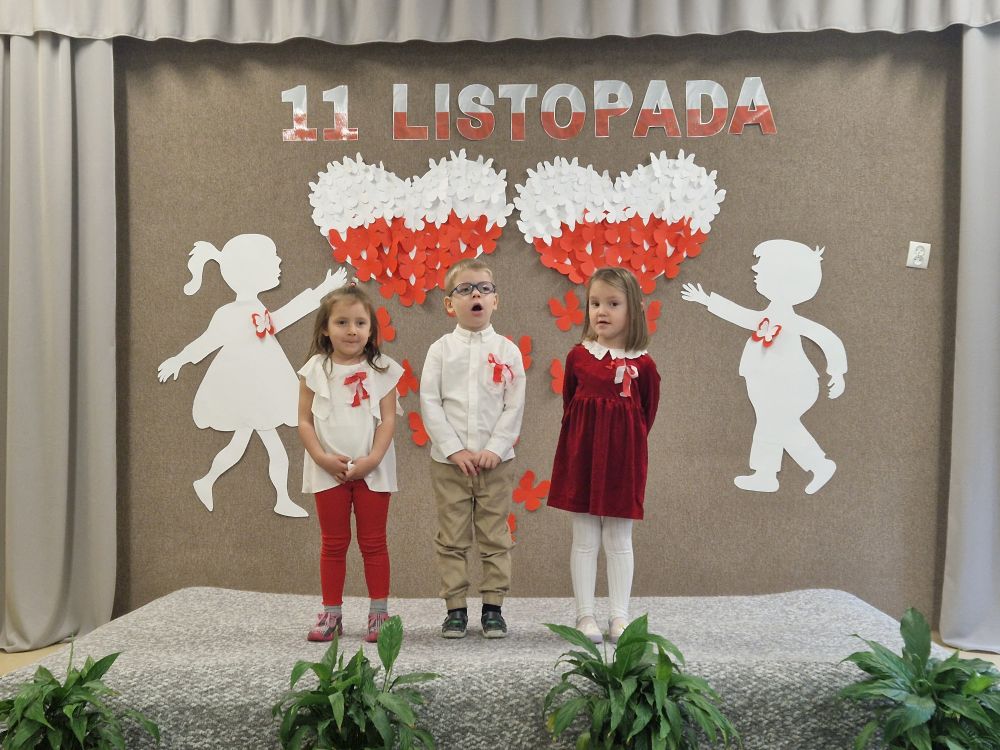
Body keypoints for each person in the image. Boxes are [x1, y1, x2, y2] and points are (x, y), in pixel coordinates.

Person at [157, 234, 347, 517]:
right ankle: (276, 498)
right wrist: (179, 360)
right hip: (246, 390)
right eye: (272, 259)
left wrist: (324, 289)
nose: (279, 262)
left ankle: (209, 482)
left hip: (259, 389)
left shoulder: (258, 310)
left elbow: (286, 315)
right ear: (251, 271)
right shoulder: (229, 314)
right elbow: (206, 342)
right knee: (270, 447)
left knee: (242, 445)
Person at [548, 267, 661, 645]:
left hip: (622, 462)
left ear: (634, 310)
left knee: (618, 539)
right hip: (582, 458)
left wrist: (622, 445)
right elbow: (570, 404)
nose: (602, 311)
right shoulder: (578, 357)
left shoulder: (644, 365)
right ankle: (585, 616)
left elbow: (646, 414)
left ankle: (619, 617)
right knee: (584, 538)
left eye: (613, 304)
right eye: (595, 303)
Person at [680, 239, 846, 494]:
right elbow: (743, 316)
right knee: (773, 425)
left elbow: (826, 337)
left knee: (777, 424)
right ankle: (771, 474)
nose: (755, 270)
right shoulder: (770, 315)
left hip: (792, 385)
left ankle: (808, 467)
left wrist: (837, 371)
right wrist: (706, 300)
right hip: (768, 384)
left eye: (763, 267)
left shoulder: (786, 318)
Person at [419, 258, 526, 639]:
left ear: (495, 300)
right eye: (465, 289)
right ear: (450, 304)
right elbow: (430, 402)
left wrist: (495, 448)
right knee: (452, 538)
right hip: (450, 465)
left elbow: (514, 405)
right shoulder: (440, 350)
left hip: (496, 464)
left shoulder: (508, 351)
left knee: (495, 536)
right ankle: (455, 609)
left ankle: (493, 607)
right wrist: (453, 449)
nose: (475, 294)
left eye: (483, 288)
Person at [297, 284, 403, 643]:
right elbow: (304, 421)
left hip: (373, 470)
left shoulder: (383, 370)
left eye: (360, 322)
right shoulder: (315, 369)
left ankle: (379, 613)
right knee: (333, 543)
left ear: (371, 329)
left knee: (374, 542)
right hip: (328, 471)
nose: (352, 330)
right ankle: (332, 613)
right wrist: (322, 458)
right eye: (341, 322)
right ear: (325, 328)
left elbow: (388, 420)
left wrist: (372, 459)